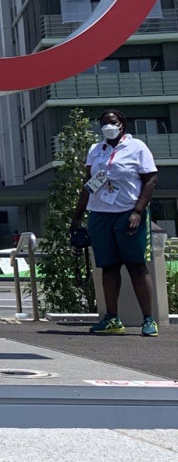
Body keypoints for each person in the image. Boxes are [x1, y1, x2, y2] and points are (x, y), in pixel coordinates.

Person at [69, 109, 159, 337]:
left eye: (112, 122)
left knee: (136, 265)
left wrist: (138, 211)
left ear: (122, 124)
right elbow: (89, 184)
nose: (107, 126)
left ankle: (149, 319)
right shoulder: (95, 150)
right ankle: (111, 318)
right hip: (100, 215)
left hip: (127, 213)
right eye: (103, 123)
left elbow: (151, 180)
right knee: (108, 267)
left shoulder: (137, 147)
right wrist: (77, 216)